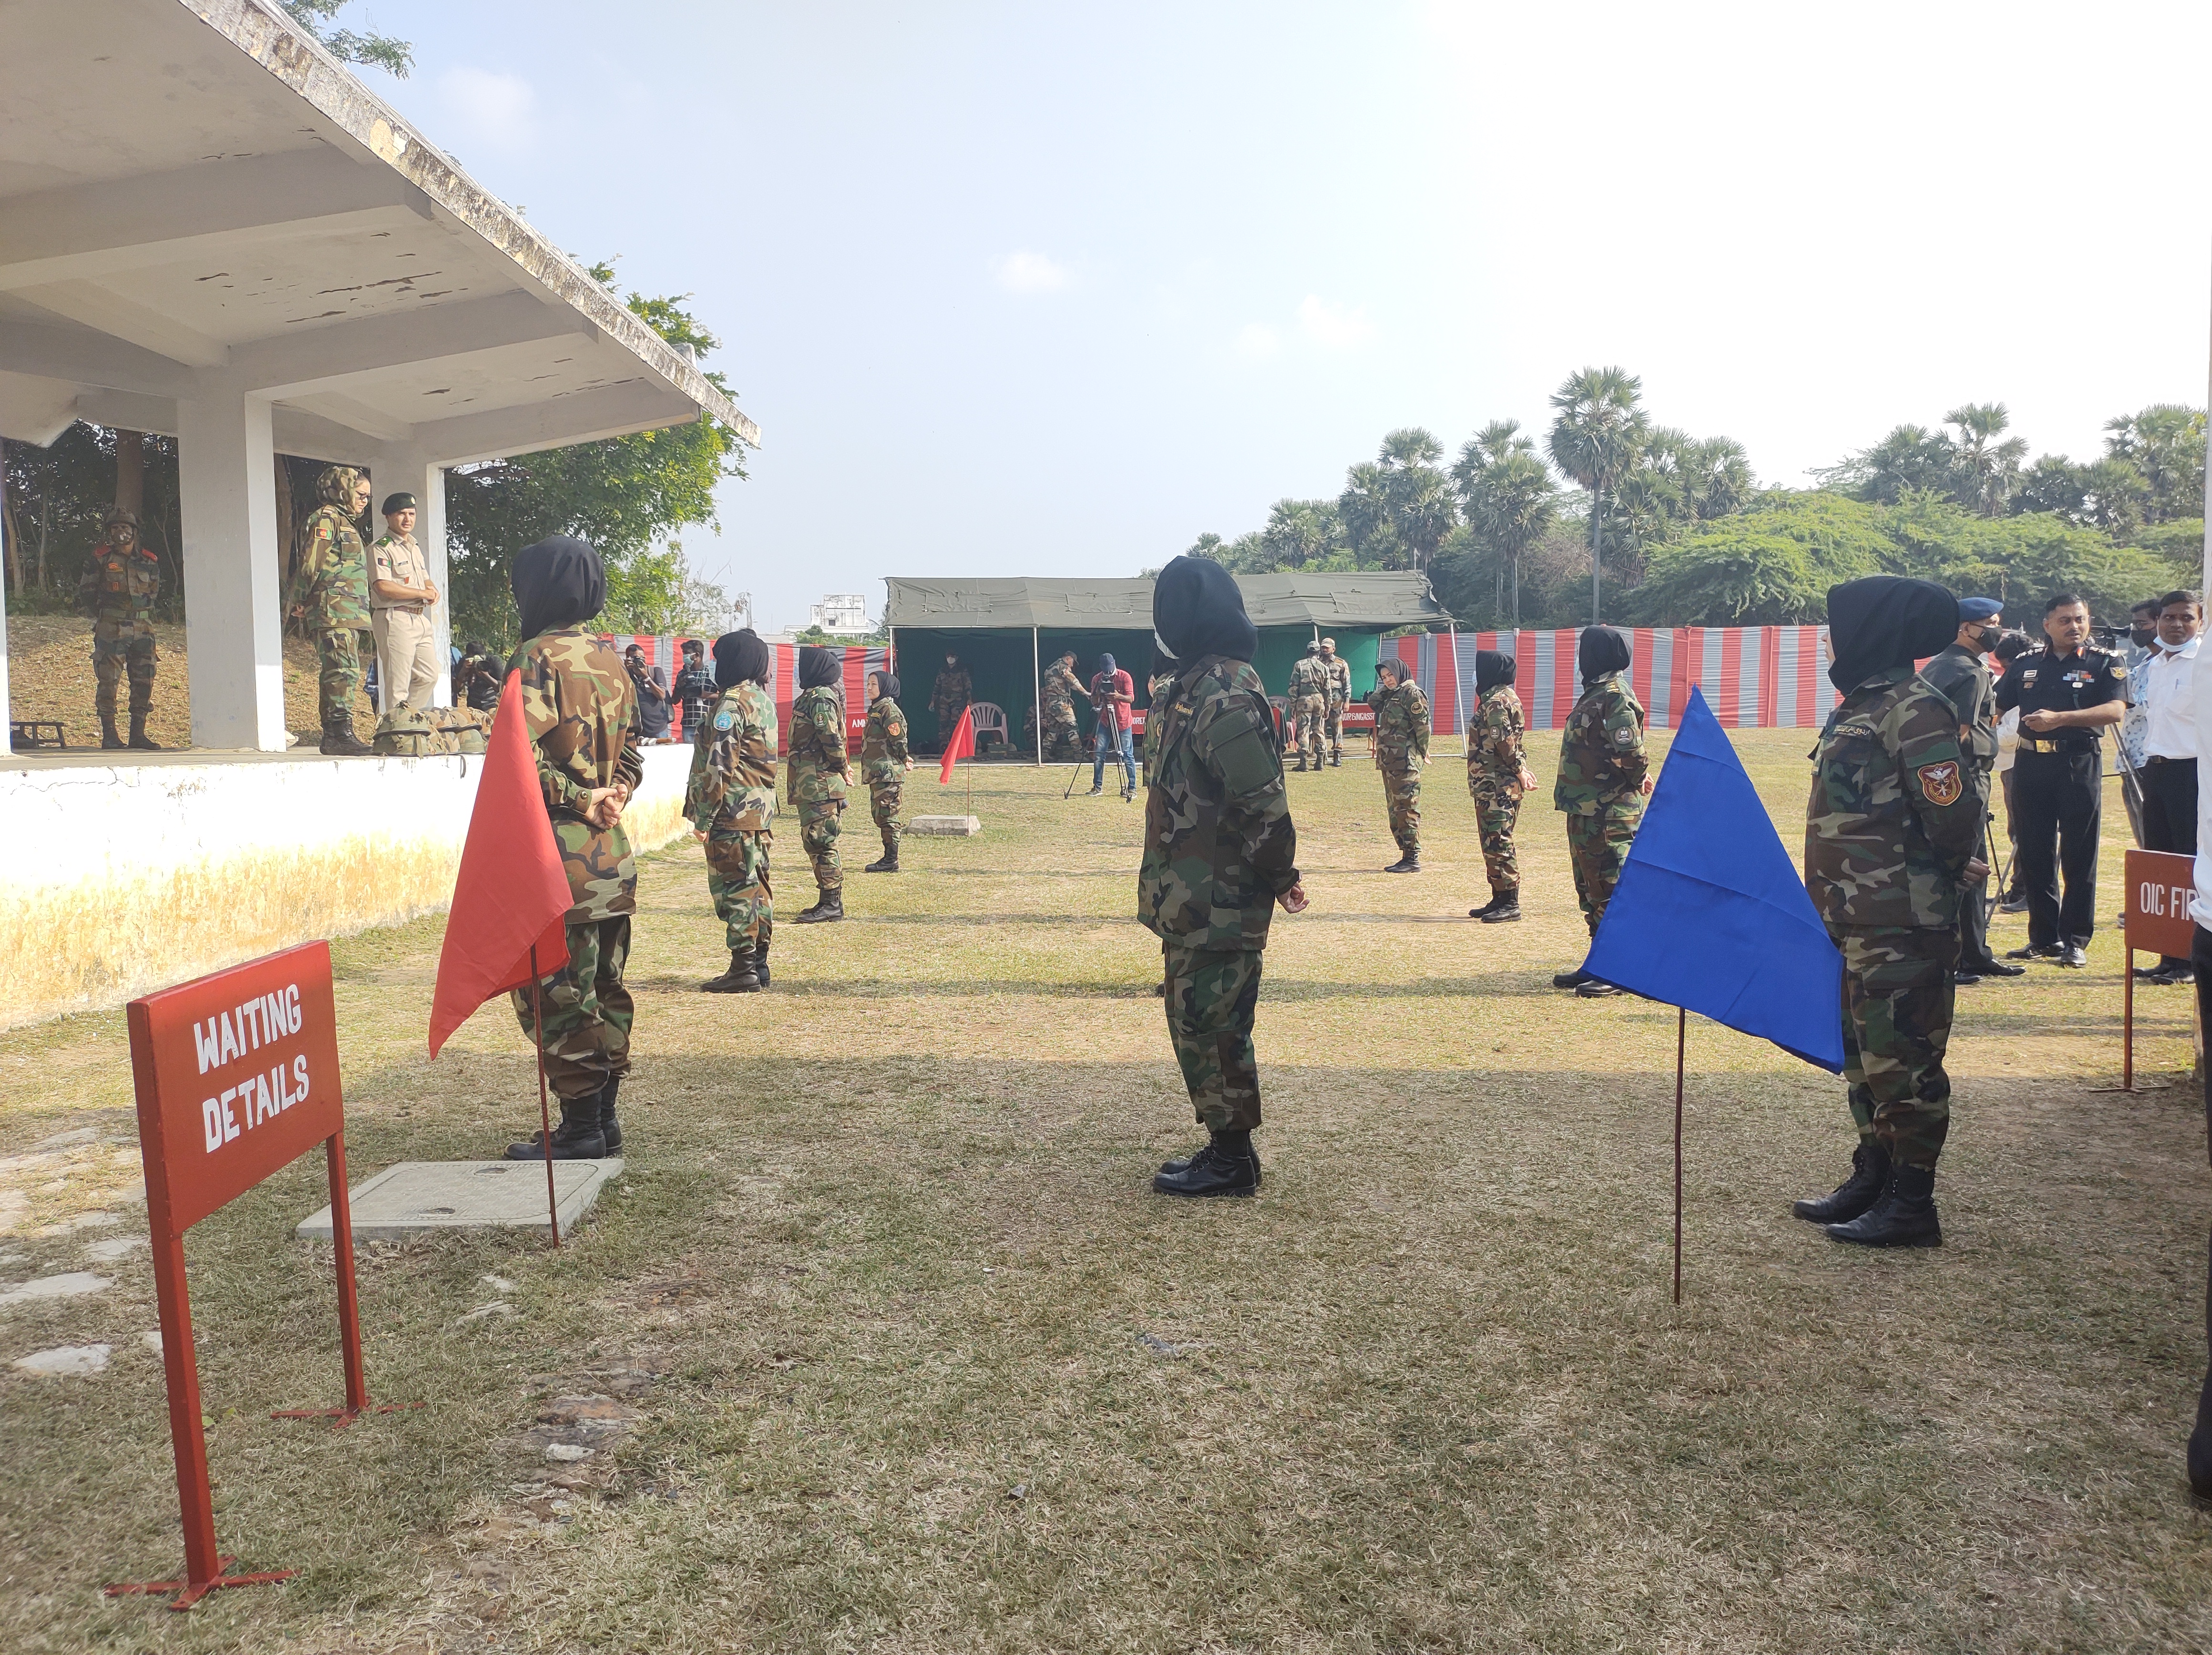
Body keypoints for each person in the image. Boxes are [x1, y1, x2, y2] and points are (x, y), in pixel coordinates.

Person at [1794, 575, 1986, 1247]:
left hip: (1903, 919)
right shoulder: (1861, 705)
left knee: (1904, 1059)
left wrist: (1938, 873)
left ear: (1870, 630)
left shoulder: (1915, 707)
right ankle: (1873, 1175)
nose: (1828, 639)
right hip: (1852, 916)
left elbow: (1953, 813)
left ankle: (1912, 1204)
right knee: (1864, 1058)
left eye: (1837, 625)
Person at [1140, 555, 1307, 1197]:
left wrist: (1281, 873)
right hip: (1191, 896)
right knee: (1195, 1019)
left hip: (1221, 898)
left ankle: (1233, 1158)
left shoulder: (1224, 692)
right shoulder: (1191, 684)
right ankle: (1225, 1145)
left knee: (1214, 1024)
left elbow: (1261, 801)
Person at [502, 537, 641, 1161]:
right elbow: (635, 750)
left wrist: (578, 797)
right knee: (606, 987)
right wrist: (615, 795)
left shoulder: (536, 657)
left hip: (557, 862)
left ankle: (582, 1128)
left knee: (556, 994)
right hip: (611, 859)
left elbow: (513, 754)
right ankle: (604, 1120)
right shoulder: (610, 660)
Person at [1994, 593, 2125, 968]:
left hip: (2077, 764)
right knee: (2034, 851)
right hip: (2030, 764)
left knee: (2079, 855)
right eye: (2065, 620)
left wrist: (2060, 719)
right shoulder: (2026, 663)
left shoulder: (2105, 663)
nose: (2075, 627)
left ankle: (2075, 939)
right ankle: (2043, 937)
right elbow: (1997, 705)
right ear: (2047, 625)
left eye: (2080, 619)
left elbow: (2115, 711)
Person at [1918, 598, 2021, 986]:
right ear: (1965, 628)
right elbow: (1958, 733)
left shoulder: (1937, 665)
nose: (1997, 631)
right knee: (1966, 866)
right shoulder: (1969, 672)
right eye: (1989, 624)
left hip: (1944, 778)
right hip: (1965, 776)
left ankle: (1974, 953)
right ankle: (1961, 956)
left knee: (1967, 862)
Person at [1551, 626, 1651, 995]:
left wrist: (1639, 778)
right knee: (1590, 888)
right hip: (1585, 807)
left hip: (1609, 811)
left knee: (1611, 888)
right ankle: (1599, 960)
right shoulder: (1595, 693)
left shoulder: (1614, 697)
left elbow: (1631, 753)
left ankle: (1620, 970)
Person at [687, 630, 778, 993]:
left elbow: (719, 766)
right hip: (759, 811)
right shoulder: (762, 700)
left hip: (732, 811)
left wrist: (702, 815)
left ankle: (743, 968)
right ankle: (758, 963)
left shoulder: (730, 705)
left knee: (736, 888)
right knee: (758, 886)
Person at [2134, 588, 2202, 984]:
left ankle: (2192, 960)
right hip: (2156, 772)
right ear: (2157, 621)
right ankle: (2170, 955)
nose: (2177, 625)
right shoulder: (2155, 664)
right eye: (2169, 618)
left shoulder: (2204, 664)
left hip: (2191, 774)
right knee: (2162, 867)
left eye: (2186, 618)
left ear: (2200, 622)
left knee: (2191, 866)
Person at [287, 466, 375, 755]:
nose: (365, 501)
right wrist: (299, 599)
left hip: (346, 611)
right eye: (361, 494)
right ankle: (340, 733)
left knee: (340, 670)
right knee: (342, 669)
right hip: (333, 609)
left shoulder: (345, 521)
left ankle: (335, 735)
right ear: (343, 489)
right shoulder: (327, 517)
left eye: (367, 497)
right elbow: (311, 561)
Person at [74, 506, 161, 750]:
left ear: (135, 531)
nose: (121, 532)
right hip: (111, 628)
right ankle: (110, 736)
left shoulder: (148, 561)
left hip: (143, 628)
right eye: (116, 528)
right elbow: (87, 593)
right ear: (109, 533)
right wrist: (105, 617)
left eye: (126, 527)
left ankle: (138, 735)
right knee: (109, 682)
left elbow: (153, 593)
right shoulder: (100, 559)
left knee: (144, 680)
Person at [1465, 649, 1535, 922]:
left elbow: (1504, 741)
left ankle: (1510, 902)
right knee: (1491, 840)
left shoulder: (1496, 702)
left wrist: (1520, 770)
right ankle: (1499, 896)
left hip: (1498, 784)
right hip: (1490, 783)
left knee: (1498, 839)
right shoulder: (1499, 698)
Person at [788, 645, 850, 923]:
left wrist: (842, 768)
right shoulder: (811, 696)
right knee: (815, 842)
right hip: (810, 783)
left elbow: (831, 739)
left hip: (820, 783)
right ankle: (826, 900)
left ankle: (832, 903)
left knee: (822, 842)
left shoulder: (821, 697)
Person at [367, 491, 440, 713]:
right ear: (389, 517)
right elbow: (383, 586)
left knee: (429, 676)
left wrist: (432, 590)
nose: (408, 519)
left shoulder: (414, 546)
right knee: (397, 683)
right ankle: (393, 736)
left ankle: (403, 721)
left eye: (411, 513)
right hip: (395, 617)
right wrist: (422, 592)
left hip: (419, 618)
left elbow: (425, 578)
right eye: (401, 514)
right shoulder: (381, 547)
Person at [1369, 656, 1429, 871]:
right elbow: (1373, 702)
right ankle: (1405, 853)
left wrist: (1423, 751)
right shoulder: (1392, 695)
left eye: (1391, 675)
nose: (1387, 680)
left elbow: (1423, 726)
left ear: (1401, 672)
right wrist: (1389, 688)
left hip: (1405, 762)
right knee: (1395, 810)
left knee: (1407, 809)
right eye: (1384, 677)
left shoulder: (1412, 694)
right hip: (1389, 762)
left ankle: (1412, 857)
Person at [1990, 630, 2033, 912]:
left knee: (2025, 830)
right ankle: (2019, 887)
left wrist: (1983, 730)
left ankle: (2026, 890)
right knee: (2015, 828)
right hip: (2009, 767)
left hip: (2021, 765)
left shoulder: (2025, 684)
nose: (2005, 672)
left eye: (2007, 666)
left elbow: (2012, 735)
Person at [860, 669, 912, 872]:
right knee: (881, 815)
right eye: (868, 684)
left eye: (874, 684)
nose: (869, 688)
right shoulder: (876, 708)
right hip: (878, 772)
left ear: (885, 687)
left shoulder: (888, 709)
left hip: (888, 772)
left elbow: (898, 739)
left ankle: (891, 860)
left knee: (888, 815)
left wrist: (903, 758)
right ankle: (888, 857)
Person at [1089, 652, 1137, 799]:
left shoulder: (1124, 677)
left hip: (1122, 721)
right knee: (1099, 755)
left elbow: (1131, 698)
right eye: (1105, 668)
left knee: (1127, 755)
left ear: (1114, 663)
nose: (1108, 671)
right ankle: (1097, 787)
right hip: (1105, 720)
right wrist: (1097, 691)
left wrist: (1118, 696)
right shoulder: (1097, 679)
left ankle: (1131, 788)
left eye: (1109, 667)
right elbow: (1094, 702)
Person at [1287, 641, 1329, 771]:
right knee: (1319, 730)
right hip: (1319, 699)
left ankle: (1303, 762)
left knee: (1303, 730)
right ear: (1318, 653)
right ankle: (1319, 762)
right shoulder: (1324, 667)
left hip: (1304, 700)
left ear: (1307, 652)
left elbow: (1294, 686)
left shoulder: (1299, 665)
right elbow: (1328, 689)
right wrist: (1327, 706)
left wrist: (1292, 705)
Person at [623, 643, 675, 743]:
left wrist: (645, 676)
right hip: (638, 728)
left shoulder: (655, 671)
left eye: (642, 658)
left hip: (659, 727)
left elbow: (662, 695)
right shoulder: (626, 674)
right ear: (628, 659)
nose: (640, 661)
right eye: (636, 658)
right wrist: (626, 670)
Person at [1039, 652, 1085, 760]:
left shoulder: (1050, 668)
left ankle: (1045, 752)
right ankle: (1078, 754)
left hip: (1051, 703)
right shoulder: (1063, 666)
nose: (1072, 666)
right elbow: (1072, 680)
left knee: (1054, 729)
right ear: (1068, 658)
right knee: (1072, 727)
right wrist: (1085, 692)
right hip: (1061, 703)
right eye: (1072, 662)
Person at [673, 638, 716, 743]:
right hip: (688, 724)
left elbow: (724, 695)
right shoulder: (682, 674)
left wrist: (704, 695)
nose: (684, 657)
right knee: (689, 756)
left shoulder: (711, 673)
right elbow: (674, 701)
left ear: (696, 655)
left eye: (687, 654)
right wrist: (679, 687)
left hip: (707, 724)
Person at [928, 653, 972, 754]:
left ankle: (958, 748)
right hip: (944, 701)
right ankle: (944, 747)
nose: (950, 658)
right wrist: (933, 701)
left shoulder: (962, 670)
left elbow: (968, 686)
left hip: (958, 701)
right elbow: (937, 687)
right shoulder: (943, 670)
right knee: (943, 724)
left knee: (957, 724)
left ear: (957, 658)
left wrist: (969, 699)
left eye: (952, 656)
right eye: (948, 656)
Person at [1319, 636, 1351, 766]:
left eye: (1327, 647)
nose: (1325, 649)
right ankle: (1320, 755)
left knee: (1337, 727)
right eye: (1323, 647)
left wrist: (1347, 700)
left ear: (1333, 649)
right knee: (1320, 728)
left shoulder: (1341, 663)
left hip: (1336, 699)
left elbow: (1347, 683)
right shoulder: (1317, 662)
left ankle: (1337, 755)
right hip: (1321, 699)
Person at [456, 640, 504, 713]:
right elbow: (457, 686)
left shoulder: (493, 661)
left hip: (492, 704)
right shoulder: (464, 663)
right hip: (473, 705)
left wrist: (485, 675)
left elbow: (501, 688)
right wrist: (464, 670)